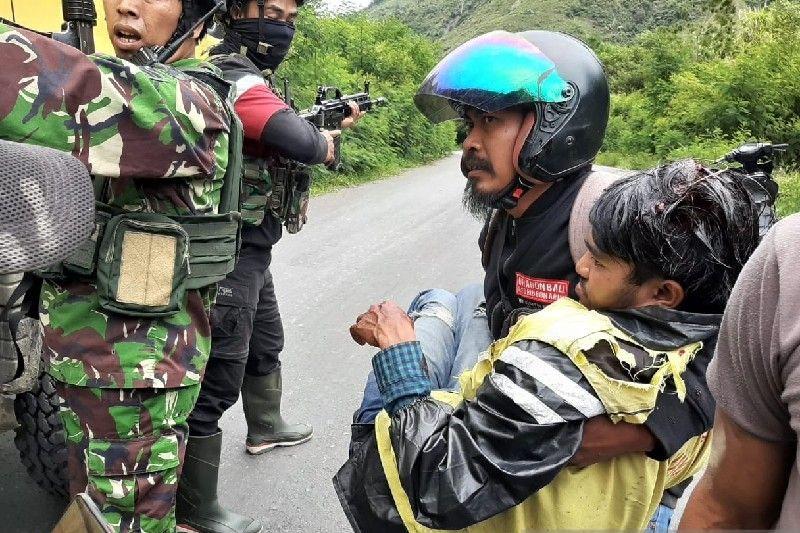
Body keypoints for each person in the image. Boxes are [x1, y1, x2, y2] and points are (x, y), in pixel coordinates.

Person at [354, 29, 715, 529]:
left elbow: (705, 354)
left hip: (548, 467)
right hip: (510, 380)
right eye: (469, 123)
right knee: (442, 298)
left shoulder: (604, 219)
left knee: (394, 388)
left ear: (555, 127)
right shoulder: (508, 213)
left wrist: (579, 442)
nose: (469, 142)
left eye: (490, 122)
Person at [337, 159, 762, 532]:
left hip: (429, 492)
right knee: (466, 299)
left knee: (434, 306)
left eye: (599, 260)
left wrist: (398, 355)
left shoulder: (564, 349)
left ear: (663, 294)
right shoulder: (709, 358)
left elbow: (437, 478)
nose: (580, 265)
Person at [0, 0, 237, 530]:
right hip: (89, 358)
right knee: (95, 510)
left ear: (195, 17)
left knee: (123, 519)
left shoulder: (192, 102)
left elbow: (69, 89)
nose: (125, 4)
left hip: (136, 371)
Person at [175, 1, 363, 531]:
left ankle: (266, 425)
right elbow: (288, 135)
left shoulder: (252, 73)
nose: (284, 26)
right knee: (218, 377)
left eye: (291, 17)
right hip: (229, 250)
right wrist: (324, 142)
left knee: (266, 340)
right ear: (237, 10)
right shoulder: (228, 68)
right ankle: (194, 509)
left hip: (254, 245)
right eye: (276, 12)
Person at [679, 214, 800, 530]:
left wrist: (659, 428)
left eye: (599, 261)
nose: (581, 266)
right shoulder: (790, 257)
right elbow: (725, 510)